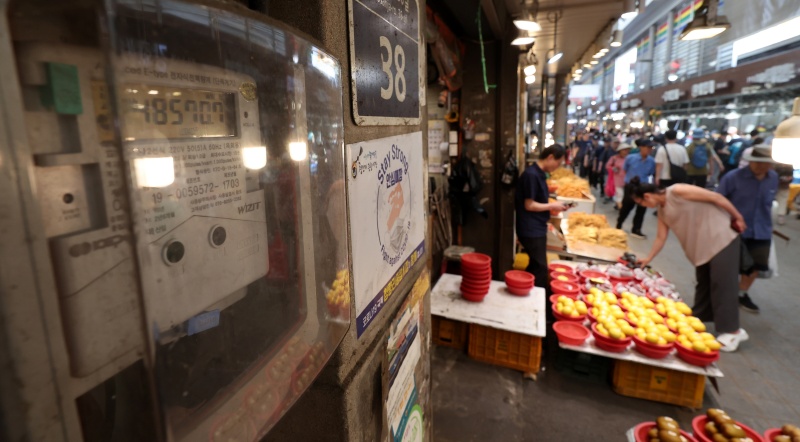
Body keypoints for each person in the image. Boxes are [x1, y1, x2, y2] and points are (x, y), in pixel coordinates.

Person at [631, 178, 749, 352]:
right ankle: (700, 318)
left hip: (720, 237)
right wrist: (648, 258)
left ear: (647, 196)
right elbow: (660, 237)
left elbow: (716, 198)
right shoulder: (662, 212)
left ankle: (733, 331)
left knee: (723, 283)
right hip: (702, 246)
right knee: (704, 282)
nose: (642, 206)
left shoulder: (678, 191)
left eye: (640, 202)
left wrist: (738, 217)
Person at [717, 145, 779, 314]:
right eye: (756, 162)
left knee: (756, 265)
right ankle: (723, 294)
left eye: (765, 163)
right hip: (735, 230)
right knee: (730, 265)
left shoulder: (773, 178)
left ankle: (741, 293)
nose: (760, 166)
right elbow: (718, 200)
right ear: (750, 162)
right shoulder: (733, 177)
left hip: (762, 229)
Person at [515, 144, 569, 293]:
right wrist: (553, 206)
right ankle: (537, 300)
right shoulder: (531, 175)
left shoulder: (539, 173)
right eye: (558, 163)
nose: (557, 167)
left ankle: (521, 289)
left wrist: (555, 207)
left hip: (536, 227)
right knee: (540, 268)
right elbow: (529, 205)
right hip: (530, 229)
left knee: (535, 265)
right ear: (550, 157)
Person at [616, 139, 655, 239]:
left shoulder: (651, 161)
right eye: (648, 147)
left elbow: (651, 173)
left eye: (651, 148)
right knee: (626, 207)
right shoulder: (630, 158)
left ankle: (636, 229)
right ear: (641, 147)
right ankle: (619, 224)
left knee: (642, 209)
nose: (650, 149)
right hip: (631, 186)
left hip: (643, 186)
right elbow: (625, 169)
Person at [606, 142, 632, 210]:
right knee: (620, 194)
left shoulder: (630, 158)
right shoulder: (614, 158)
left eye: (627, 150)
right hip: (617, 180)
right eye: (624, 150)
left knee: (624, 195)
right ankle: (621, 209)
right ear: (620, 151)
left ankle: (618, 204)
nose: (626, 151)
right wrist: (613, 168)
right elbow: (608, 166)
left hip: (627, 180)